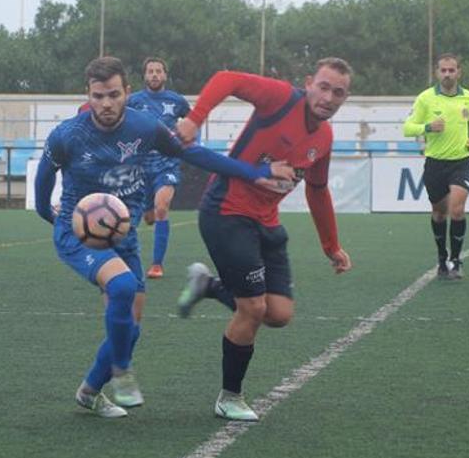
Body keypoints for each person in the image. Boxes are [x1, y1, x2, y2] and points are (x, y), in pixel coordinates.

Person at [34, 56, 293, 418]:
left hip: (121, 235)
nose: (105, 104)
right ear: (87, 95)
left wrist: (254, 172)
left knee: (131, 328)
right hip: (81, 234)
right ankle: (122, 372)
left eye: (113, 94)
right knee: (122, 287)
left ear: (127, 92)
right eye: (97, 96)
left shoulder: (145, 127)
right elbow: (44, 178)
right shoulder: (67, 135)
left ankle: (90, 391)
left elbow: (196, 155)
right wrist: (50, 215)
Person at [175, 58, 354, 421]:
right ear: (308, 83)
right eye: (323, 86)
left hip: (267, 223)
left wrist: (331, 246)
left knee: (279, 315)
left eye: (339, 92)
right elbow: (226, 76)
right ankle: (229, 397)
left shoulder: (324, 137)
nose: (329, 97)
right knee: (253, 309)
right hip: (226, 213)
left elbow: (317, 191)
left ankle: (208, 285)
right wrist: (195, 118)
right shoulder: (280, 99)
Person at [402, 53, 469, 280]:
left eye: (452, 70)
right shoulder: (425, 99)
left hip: (462, 161)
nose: (447, 74)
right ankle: (442, 258)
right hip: (435, 163)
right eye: (443, 70)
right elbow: (407, 128)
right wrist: (427, 127)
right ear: (437, 73)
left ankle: (456, 261)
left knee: (457, 209)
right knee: (439, 213)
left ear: (459, 72)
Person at [127, 57, 192, 279]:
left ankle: (156, 265)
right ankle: (128, 255)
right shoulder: (133, 101)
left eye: (158, 71)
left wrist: (190, 143)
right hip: (140, 166)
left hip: (167, 163)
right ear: (144, 76)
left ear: (165, 75)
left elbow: (192, 122)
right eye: (150, 71)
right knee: (147, 217)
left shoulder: (177, 101)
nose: (154, 75)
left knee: (162, 207)